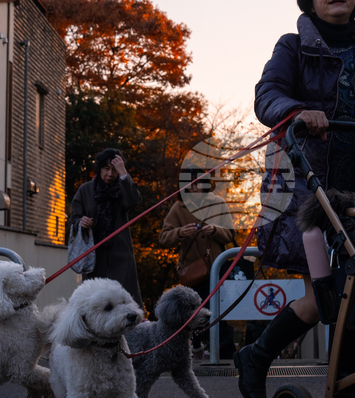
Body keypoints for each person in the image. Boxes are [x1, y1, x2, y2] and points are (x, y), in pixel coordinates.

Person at [235, 0, 355, 398]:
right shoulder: (292, 46)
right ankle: (259, 355)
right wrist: (297, 112)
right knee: (324, 296)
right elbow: (267, 95)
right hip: (308, 188)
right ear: (310, 0)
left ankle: (339, 393)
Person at [159, 168, 237, 357]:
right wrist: (180, 232)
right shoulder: (179, 207)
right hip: (193, 269)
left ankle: (225, 352)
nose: (194, 187)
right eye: (190, 183)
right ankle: (196, 347)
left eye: (198, 183)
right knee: (195, 309)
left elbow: (230, 235)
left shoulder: (218, 203)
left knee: (218, 309)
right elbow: (164, 238)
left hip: (217, 266)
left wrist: (215, 230)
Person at [70, 148, 143, 305]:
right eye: (106, 168)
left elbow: (134, 201)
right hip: (94, 257)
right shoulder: (85, 190)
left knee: (124, 302)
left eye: (114, 170)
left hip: (120, 256)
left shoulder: (122, 188)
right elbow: (74, 218)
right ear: (99, 168)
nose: (110, 174)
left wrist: (123, 172)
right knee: (96, 303)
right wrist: (81, 222)